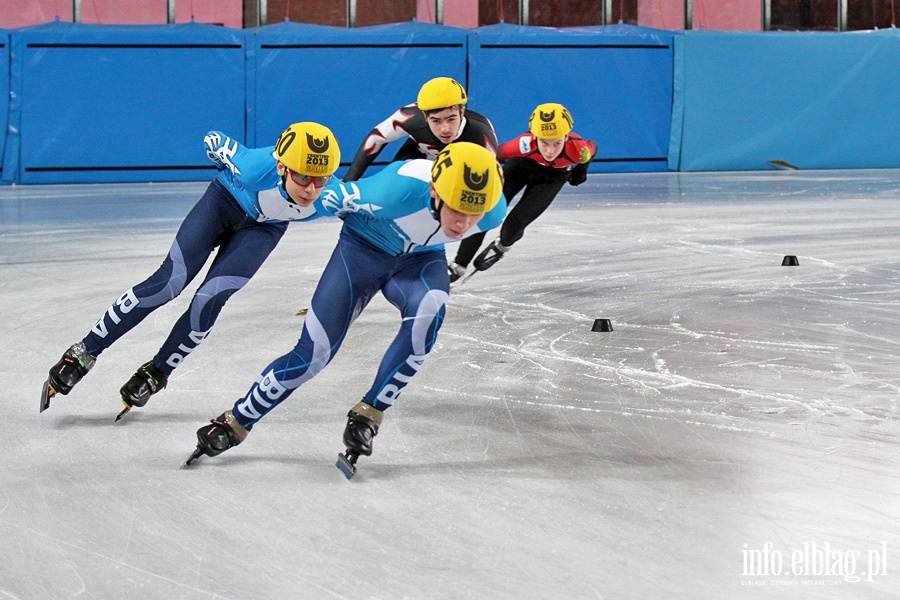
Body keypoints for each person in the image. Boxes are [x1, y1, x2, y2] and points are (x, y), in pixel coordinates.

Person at [184, 142, 506, 476]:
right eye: (456, 209)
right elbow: (315, 199)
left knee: (430, 314)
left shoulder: (495, 207)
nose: (464, 223)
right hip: (362, 251)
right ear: (436, 192)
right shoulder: (390, 191)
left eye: (475, 213)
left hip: (420, 260)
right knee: (315, 354)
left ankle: (370, 413)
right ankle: (237, 420)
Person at [41, 122, 341, 420]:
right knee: (169, 282)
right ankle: (83, 352)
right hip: (224, 202)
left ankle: (157, 372)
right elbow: (214, 138)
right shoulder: (252, 168)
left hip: (264, 230)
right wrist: (218, 150)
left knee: (210, 298)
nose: (311, 189)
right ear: (281, 167)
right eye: (302, 177)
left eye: (321, 179)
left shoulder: (332, 196)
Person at [447, 103, 597, 281]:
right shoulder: (522, 145)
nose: (550, 151)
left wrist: (581, 170)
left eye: (557, 143)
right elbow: (490, 155)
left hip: (552, 179)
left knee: (516, 222)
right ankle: (459, 264)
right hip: (520, 167)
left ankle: (503, 245)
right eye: (544, 142)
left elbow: (590, 151)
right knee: (483, 212)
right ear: (534, 137)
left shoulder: (579, 149)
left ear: (566, 137)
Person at [342, 76, 499, 182]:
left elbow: (491, 180)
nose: (445, 129)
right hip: (419, 154)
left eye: (451, 119)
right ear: (424, 116)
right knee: (393, 184)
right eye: (436, 121)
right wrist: (349, 181)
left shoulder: (481, 133)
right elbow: (376, 138)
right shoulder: (411, 117)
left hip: (459, 169)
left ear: (462, 112)